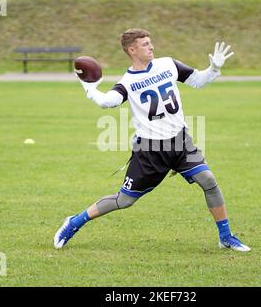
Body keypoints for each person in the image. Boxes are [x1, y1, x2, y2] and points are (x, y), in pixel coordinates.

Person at [54, 28, 251, 252]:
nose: (152, 47)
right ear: (132, 49)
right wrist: (89, 88)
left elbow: (198, 80)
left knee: (208, 180)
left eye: (151, 42)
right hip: (150, 151)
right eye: (146, 44)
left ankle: (225, 236)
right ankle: (74, 222)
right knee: (123, 201)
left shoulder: (168, 64)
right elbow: (107, 101)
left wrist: (214, 68)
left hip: (180, 142)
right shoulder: (127, 82)